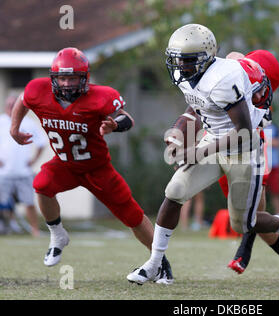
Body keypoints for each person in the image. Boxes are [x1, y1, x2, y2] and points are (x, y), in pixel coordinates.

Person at [127, 24, 279, 284]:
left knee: (243, 223)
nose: (180, 66)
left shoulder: (224, 79)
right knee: (175, 191)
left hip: (243, 150)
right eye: (177, 60)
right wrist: (177, 134)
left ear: (203, 59)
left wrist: (197, 152)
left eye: (186, 61)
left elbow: (243, 131)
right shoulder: (194, 76)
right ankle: (154, 263)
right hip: (213, 140)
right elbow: (196, 109)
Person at [9, 47, 173, 284]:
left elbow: (127, 118)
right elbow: (23, 102)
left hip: (97, 168)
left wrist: (114, 126)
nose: (66, 84)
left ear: (84, 79)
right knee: (41, 184)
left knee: (133, 216)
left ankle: (160, 262)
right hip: (64, 164)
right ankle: (58, 235)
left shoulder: (99, 97)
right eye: (62, 78)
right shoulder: (38, 90)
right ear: (53, 78)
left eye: (72, 78)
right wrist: (14, 128)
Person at [222, 51, 279, 288]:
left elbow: (260, 116)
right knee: (247, 219)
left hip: (251, 148)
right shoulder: (231, 74)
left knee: (252, 213)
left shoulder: (259, 102)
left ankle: (246, 250)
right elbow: (232, 57)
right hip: (222, 149)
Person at [0, 95, 46, 237]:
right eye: (8, 105)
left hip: (23, 171)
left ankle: (35, 230)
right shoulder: (1, 121)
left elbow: (41, 143)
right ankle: (6, 226)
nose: (10, 108)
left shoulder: (28, 123)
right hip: (3, 172)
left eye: (13, 105)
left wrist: (33, 160)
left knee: (29, 203)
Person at [264, 122, 279, 214]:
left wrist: (264, 141)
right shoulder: (254, 125)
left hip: (274, 164)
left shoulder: (274, 127)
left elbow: (278, 142)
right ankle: (259, 215)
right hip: (261, 165)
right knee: (260, 192)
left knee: (276, 191)